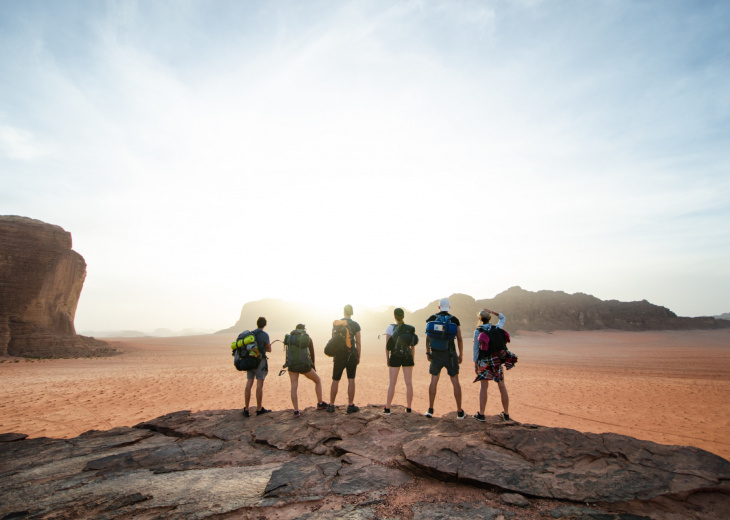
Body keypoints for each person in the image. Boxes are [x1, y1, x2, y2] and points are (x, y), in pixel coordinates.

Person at [472, 308, 517, 422]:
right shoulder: (497, 328)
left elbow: (475, 349)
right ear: (489, 318)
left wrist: (475, 363)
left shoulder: (478, 331)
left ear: (480, 319)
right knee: (502, 386)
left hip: (484, 362)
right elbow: (503, 317)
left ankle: (481, 415)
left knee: (484, 387)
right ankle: (506, 414)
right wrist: (492, 311)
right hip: (496, 361)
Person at [424, 298, 465, 419]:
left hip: (436, 354)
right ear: (449, 307)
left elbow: (428, 338)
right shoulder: (454, 319)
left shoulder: (432, 318)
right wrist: (461, 354)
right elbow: (460, 338)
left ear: (439, 307)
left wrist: (428, 352)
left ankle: (430, 409)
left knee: (434, 380)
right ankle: (459, 412)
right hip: (450, 355)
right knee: (455, 382)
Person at [287, 323, 328, 418]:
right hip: (304, 366)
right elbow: (312, 353)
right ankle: (320, 403)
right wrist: (313, 366)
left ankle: (296, 411)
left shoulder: (290, 338)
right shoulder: (307, 338)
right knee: (317, 380)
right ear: (304, 330)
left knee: (294, 386)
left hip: (292, 365)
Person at [327, 304, 362, 414]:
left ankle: (331, 405)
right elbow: (358, 342)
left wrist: (334, 355)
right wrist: (358, 356)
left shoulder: (337, 324)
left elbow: (332, 340)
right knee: (351, 379)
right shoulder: (356, 325)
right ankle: (350, 405)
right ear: (351, 313)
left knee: (335, 380)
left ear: (344, 312)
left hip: (339, 356)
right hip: (351, 355)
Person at [383, 308, 414, 415]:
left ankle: (387, 408)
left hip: (395, 356)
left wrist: (388, 359)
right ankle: (409, 408)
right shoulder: (409, 328)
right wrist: (412, 359)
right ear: (403, 316)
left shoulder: (390, 327)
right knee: (409, 383)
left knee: (392, 383)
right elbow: (412, 346)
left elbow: (387, 346)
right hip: (407, 356)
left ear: (394, 316)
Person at [242, 316, 272, 417]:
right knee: (259, 384)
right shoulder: (265, 335)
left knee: (249, 383)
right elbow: (269, 349)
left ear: (257, 323)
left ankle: (246, 409)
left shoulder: (251, 334)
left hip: (250, 360)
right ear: (265, 324)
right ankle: (259, 409)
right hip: (260, 362)